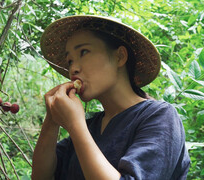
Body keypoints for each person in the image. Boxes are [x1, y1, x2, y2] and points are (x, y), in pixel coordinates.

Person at [31, 15, 190, 180]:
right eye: (70, 61)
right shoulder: (91, 126)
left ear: (120, 56)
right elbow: (41, 177)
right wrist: (51, 120)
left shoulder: (160, 117)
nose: (73, 69)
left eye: (83, 52)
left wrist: (75, 124)